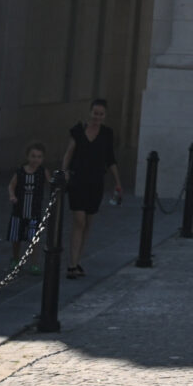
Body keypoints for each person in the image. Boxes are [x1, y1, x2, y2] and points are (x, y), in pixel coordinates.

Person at [62, 98, 122, 279]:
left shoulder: (107, 133)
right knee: (79, 220)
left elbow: (110, 159)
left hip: (95, 182)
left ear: (105, 115)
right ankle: (71, 265)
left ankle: (77, 261)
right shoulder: (78, 131)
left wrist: (117, 182)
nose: (97, 117)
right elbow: (69, 153)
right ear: (90, 112)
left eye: (101, 114)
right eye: (95, 113)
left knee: (88, 222)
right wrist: (64, 171)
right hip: (78, 180)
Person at [5, 142, 49, 256]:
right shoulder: (20, 171)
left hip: (34, 211)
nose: (36, 159)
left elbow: (51, 183)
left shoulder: (42, 171)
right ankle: (15, 258)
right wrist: (12, 196)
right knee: (16, 237)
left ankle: (34, 262)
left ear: (43, 158)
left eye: (39, 157)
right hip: (19, 210)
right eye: (33, 156)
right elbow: (11, 185)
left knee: (34, 239)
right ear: (27, 156)